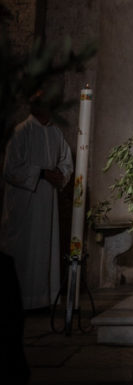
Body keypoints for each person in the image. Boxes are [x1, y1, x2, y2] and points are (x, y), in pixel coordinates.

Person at [0, 91, 73, 311]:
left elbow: (66, 161)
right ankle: (19, 301)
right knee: (23, 250)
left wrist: (61, 174)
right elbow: (10, 169)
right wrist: (40, 173)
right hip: (25, 203)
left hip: (47, 201)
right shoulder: (21, 131)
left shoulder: (55, 133)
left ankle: (44, 299)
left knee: (45, 249)